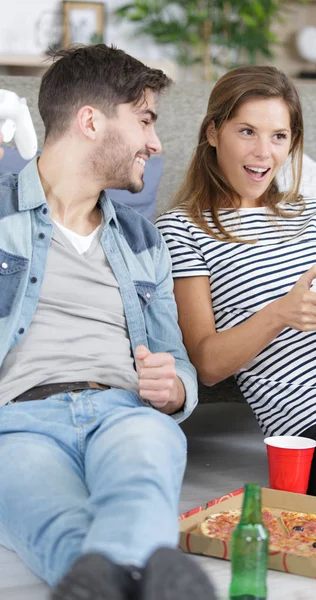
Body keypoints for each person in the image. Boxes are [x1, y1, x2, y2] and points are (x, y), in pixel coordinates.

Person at [0, 45, 217, 600]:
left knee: (142, 474)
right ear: (90, 121)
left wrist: (174, 389)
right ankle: (154, 576)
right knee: (56, 521)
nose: (156, 142)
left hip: (126, 412)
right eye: (145, 119)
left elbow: (180, 362)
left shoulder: (145, 243)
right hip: (16, 423)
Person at [156, 65, 316, 513]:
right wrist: (280, 314)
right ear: (213, 132)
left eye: (278, 136)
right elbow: (207, 365)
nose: (263, 152)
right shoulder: (181, 230)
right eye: (247, 131)